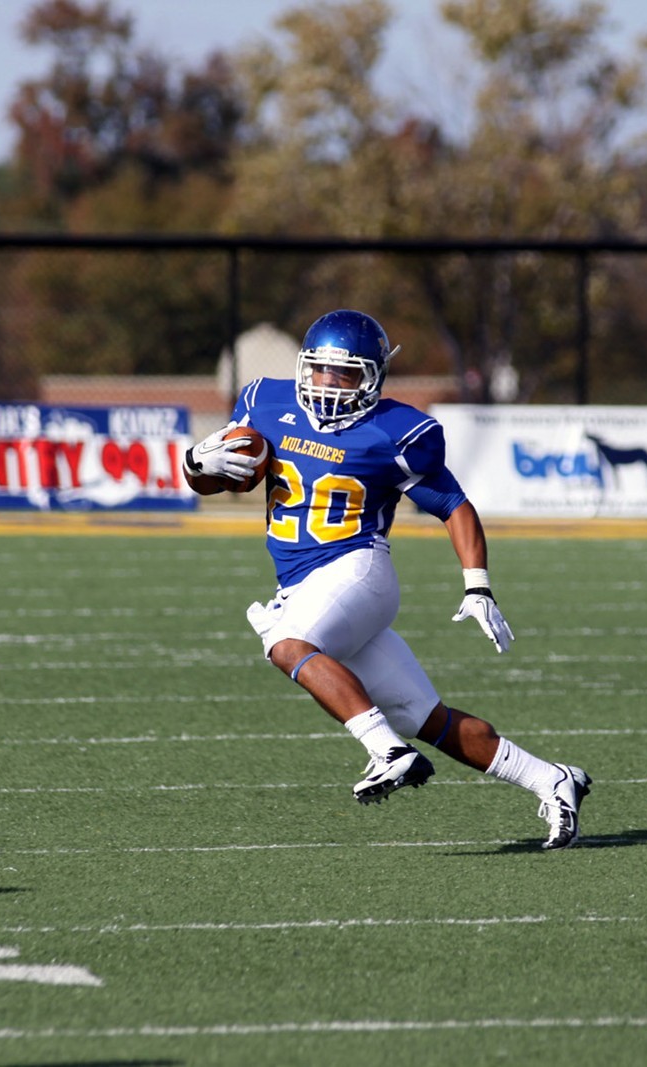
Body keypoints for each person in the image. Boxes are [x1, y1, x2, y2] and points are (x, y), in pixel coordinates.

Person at [182, 309, 592, 849]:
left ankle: (387, 752)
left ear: (372, 377)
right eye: (321, 370)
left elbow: (454, 506)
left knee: (286, 644)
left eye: (345, 373)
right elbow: (221, 481)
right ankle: (552, 779)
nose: (329, 384)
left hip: (357, 568)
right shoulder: (264, 400)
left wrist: (477, 584)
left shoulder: (396, 431)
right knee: (424, 716)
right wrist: (195, 461)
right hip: (306, 585)